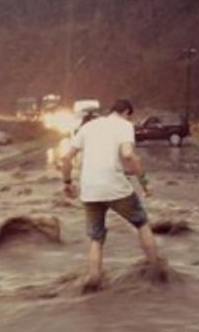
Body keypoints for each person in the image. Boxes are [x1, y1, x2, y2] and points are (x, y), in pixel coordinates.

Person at [59, 99, 161, 291]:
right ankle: (157, 271)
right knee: (142, 223)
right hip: (115, 187)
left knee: (96, 238)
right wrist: (145, 183)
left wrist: (67, 183)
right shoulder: (124, 126)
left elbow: (66, 157)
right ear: (126, 113)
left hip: (90, 190)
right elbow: (128, 155)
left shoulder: (88, 127)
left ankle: (94, 279)